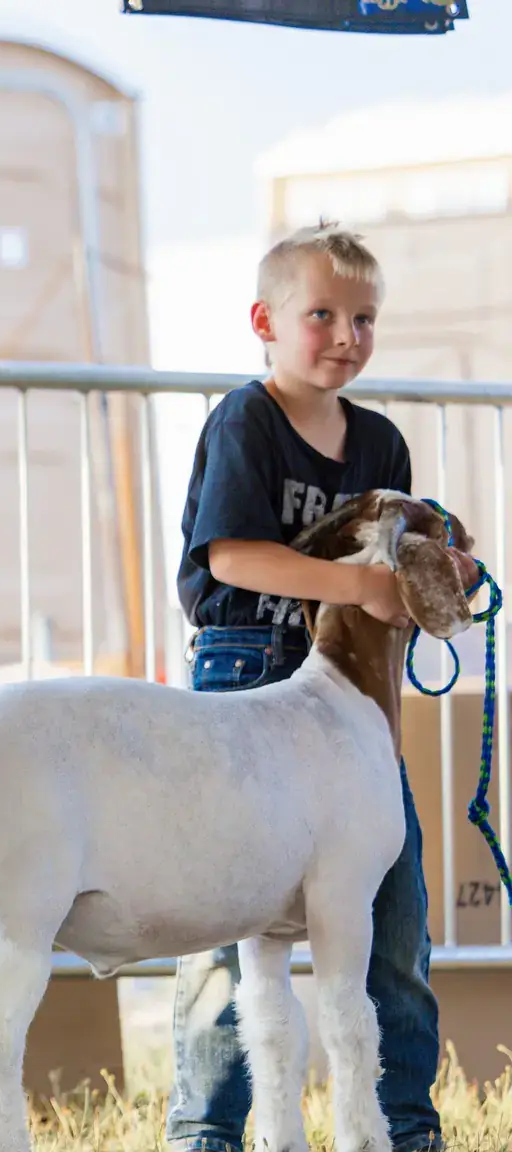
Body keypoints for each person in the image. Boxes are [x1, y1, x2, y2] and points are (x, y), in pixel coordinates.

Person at [168, 222, 444, 1152]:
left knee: (393, 914)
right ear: (265, 321)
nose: (344, 335)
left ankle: (403, 1125)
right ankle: (207, 1127)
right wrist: (359, 585)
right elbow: (233, 553)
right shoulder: (247, 420)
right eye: (320, 313)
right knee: (224, 916)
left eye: (363, 318)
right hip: (250, 670)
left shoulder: (382, 446)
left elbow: (399, 571)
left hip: (355, 703)